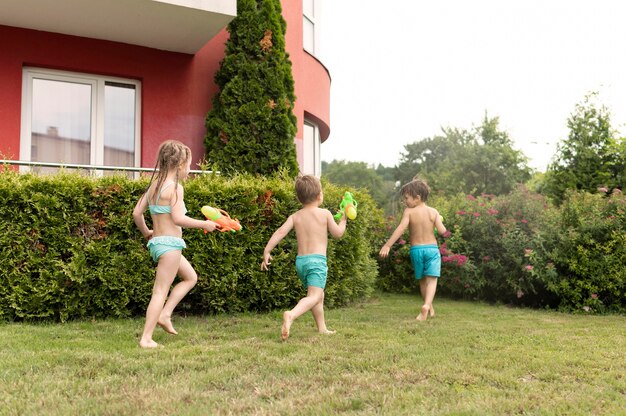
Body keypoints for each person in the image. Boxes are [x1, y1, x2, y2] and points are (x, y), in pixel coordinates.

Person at [133, 140, 218, 348]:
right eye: (189, 165)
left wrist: (147, 233)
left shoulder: (154, 185)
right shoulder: (176, 188)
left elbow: (136, 213)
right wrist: (204, 225)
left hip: (158, 244)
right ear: (179, 165)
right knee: (160, 291)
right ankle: (146, 338)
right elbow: (179, 219)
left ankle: (165, 314)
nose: (190, 170)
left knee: (190, 277)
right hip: (171, 245)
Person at [261, 175, 347, 341]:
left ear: (300, 198)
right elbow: (337, 234)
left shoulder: (296, 216)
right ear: (319, 195)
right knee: (314, 295)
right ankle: (291, 315)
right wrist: (343, 221)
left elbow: (280, 232)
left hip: (301, 262)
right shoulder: (325, 213)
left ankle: (322, 328)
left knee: (318, 295)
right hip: (317, 262)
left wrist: (267, 251)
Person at [379, 178, 446, 321]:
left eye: (406, 198)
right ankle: (427, 306)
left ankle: (428, 307)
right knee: (432, 280)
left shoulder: (409, 212)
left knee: (422, 280)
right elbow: (442, 231)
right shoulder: (433, 212)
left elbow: (401, 228)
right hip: (432, 250)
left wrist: (388, 245)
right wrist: (439, 222)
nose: (405, 201)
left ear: (417, 198)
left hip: (416, 250)